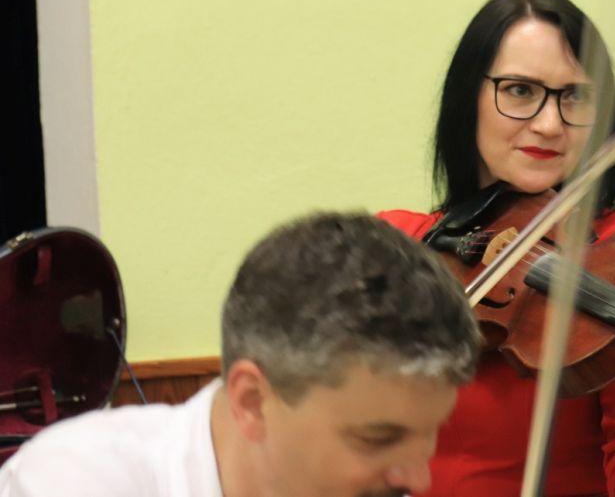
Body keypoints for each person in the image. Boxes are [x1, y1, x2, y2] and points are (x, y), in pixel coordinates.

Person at [380, 0, 615, 497]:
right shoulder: (401, 244)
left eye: (575, 97)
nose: (549, 125)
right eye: (520, 90)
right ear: (468, 98)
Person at [0, 211, 481, 497]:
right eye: (378, 438)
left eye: (430, 435)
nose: (418, 479)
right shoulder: (79, 480)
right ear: (252, 400)